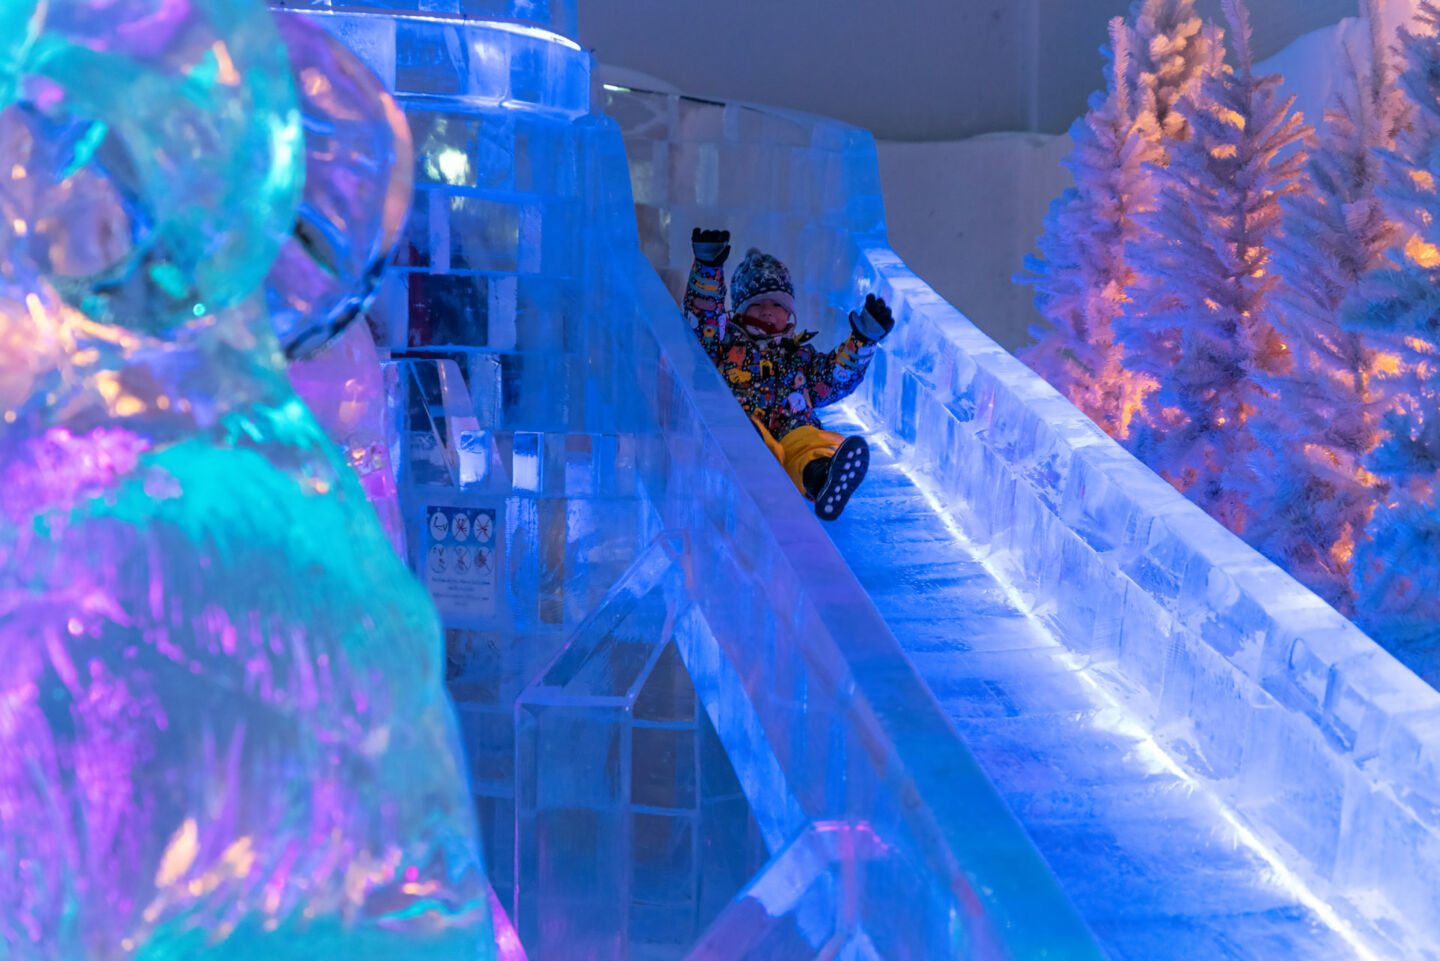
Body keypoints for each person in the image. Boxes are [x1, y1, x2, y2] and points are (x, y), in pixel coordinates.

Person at [683, 227, 894, 520]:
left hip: (792, 428)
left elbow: (832, 379)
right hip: (742, 424)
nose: (768, 312)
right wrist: (708, 269)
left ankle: (821, 478)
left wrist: (862, 341)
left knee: (809, 441)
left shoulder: (800, 355)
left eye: (777, 305)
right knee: (750, 435)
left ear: (790, 312)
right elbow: (703, 323)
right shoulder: (725, 342)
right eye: (757, 305)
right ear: (741, 311)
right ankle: (753, 461)